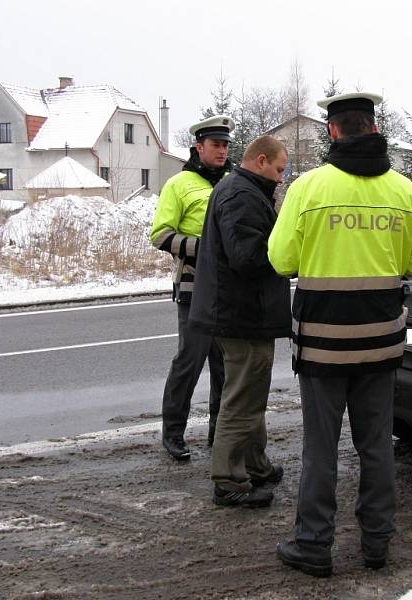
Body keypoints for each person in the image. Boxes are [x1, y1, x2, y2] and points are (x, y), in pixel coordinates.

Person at [268, 92, 412, 577]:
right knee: (377, 444)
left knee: (320, 447)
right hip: (382, 342)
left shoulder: (308, 188)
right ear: (374, 127)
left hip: (322, 345)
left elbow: (281, 260)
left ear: (333, 131)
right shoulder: (405, 192)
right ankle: (377, 542)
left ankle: (313, 545)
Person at [189, 136, 291, 508]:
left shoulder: (243, 191)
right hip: (243, 315)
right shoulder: (241, 196)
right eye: (279, 169)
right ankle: (228, 479)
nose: (281, 178)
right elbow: (247, 257)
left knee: (251, 394)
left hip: (244, 313)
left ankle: (254, 464)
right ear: (260, 161)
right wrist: (286, 247)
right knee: (242, 398)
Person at [150, 115, 235, 460]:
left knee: (225, 365)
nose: (222, 150)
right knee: (189, 360)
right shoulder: (180, 184)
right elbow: (160, 234)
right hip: (193, 287)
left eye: (226, 145)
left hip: (230, 289)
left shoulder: (232, 183)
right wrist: (204, 248)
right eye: (216, 144)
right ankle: (173, 434)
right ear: (199, 147)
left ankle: (220, 435)